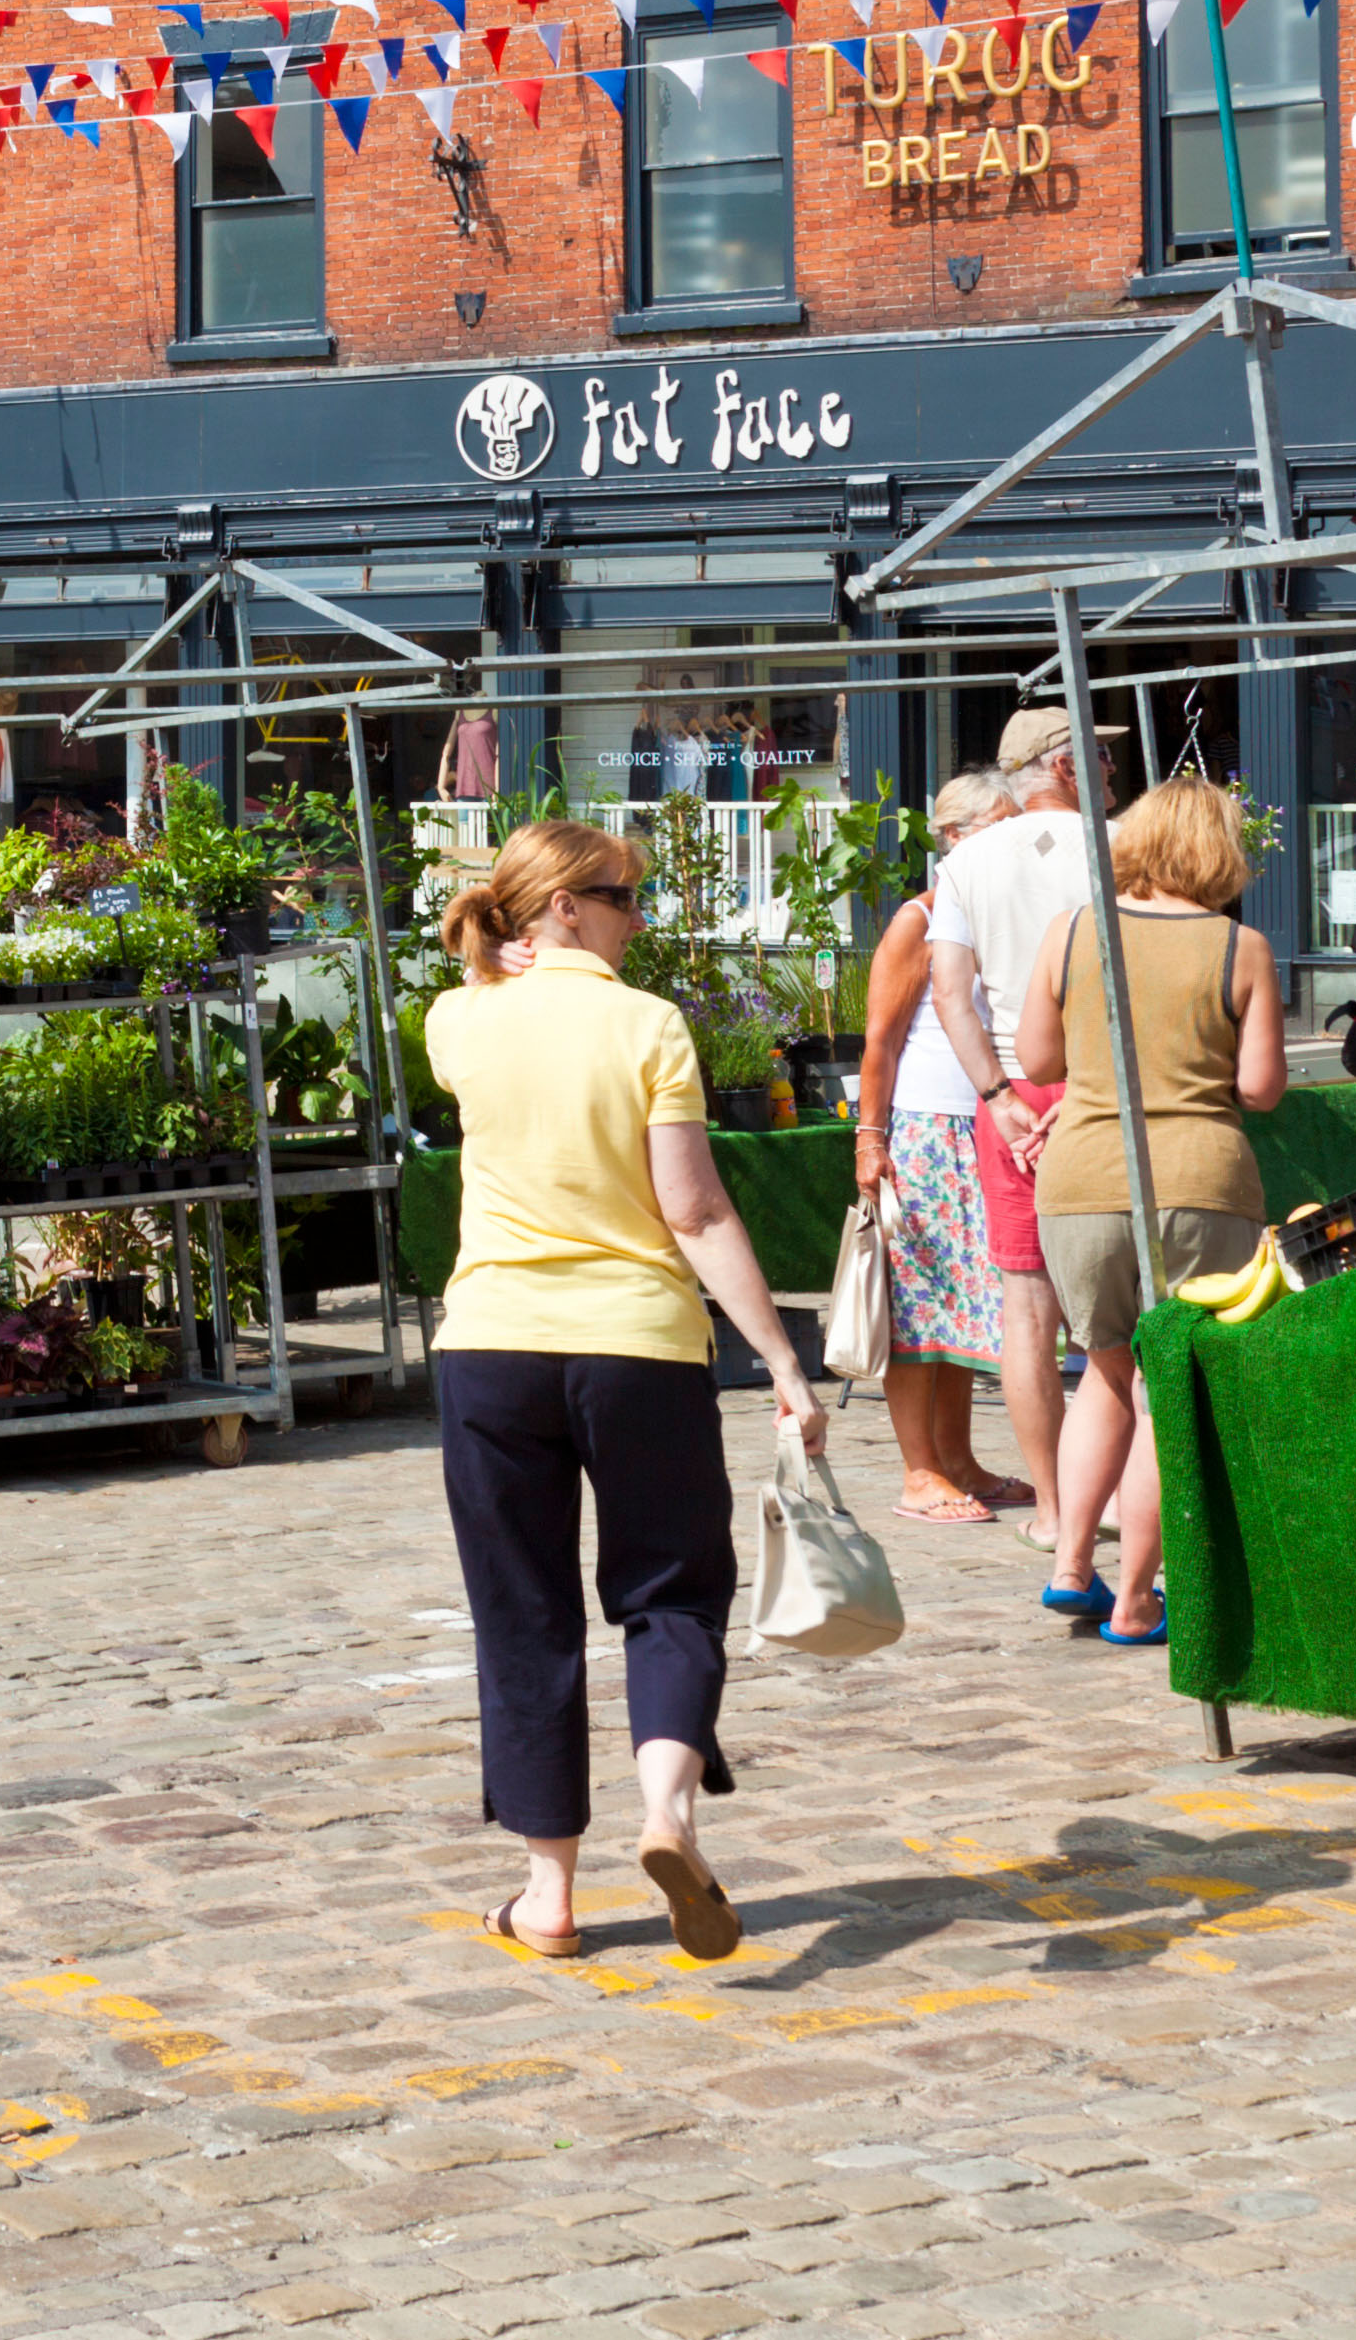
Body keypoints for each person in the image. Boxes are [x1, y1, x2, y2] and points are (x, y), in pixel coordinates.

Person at [423, 818, 822, 1972]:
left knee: (523, 1612)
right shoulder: (649, 1026)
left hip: (491, 1344)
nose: (638, 917)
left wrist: (491, 957)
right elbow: (694, 1211)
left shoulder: (460, 1021)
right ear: (562, 906)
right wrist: (784, 1360)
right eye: (622, 896)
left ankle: (548, 1894)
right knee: (672, 1591)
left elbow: (465, 970)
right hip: (638, 1344)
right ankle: (670, 1816)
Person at [1004, 780, 1286, 1645]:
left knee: (1102, 1369)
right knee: (1169, 1386)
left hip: (1083, 1174)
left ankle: (1070, 1566)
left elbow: (1037, 1058)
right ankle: (1136, 1599)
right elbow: (1261, 1088)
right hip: (1200, 1178)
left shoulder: (1074, 929)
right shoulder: (1240, 946)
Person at [920, 707, 1105, 1516]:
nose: (1107, 766)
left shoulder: (967, 862)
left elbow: (950, 994)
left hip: (1015, 1097)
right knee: (1119, 1312)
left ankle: (1062, 1510)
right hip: (1104, 1089)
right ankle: (1127, 1505)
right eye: (1098, 754)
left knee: (1027, 1311)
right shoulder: (1118, 845)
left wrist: (994, 1095)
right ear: (1063, 767)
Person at [847, 768, 1029, 1524]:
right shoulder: (918, 921)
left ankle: (958, 1458)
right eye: (998, 829)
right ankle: (919, 1469)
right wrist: (870, 1137)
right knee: (919, 1308)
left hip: (982, 1126)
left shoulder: (1003, 918)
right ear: (954, 839)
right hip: (925, 1130)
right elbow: (880, 1042)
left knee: (965, 1306)